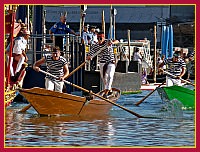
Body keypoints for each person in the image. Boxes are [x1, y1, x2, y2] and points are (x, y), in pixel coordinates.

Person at [86, 32, 119, 98]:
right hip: (102, 63)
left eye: (100, 38)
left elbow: (117, 41)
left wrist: (112, 43)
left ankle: (106, 92)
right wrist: (89, 56)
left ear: (103, 38)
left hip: (110, 62)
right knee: (104, 78)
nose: (99, 40)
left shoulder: (108, 41)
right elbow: (90, 53)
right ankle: (109, 90)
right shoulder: (96, 45)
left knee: (110, 76)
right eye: (98, 38)